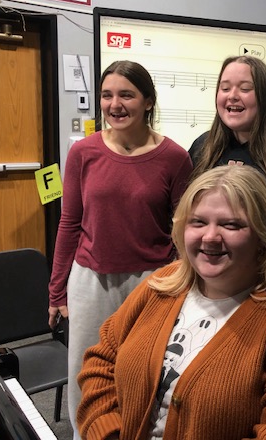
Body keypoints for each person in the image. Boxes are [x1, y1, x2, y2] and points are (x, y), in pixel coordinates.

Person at [76, 165, 266, 440]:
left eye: (231, 224)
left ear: (264, 236)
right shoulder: (163, 284)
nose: (210, 237)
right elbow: (101, 361)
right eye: (198, 222)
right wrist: (108, 434)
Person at [48, 60, 193, 437]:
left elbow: (183, 229)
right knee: (87, 373)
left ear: (148, 101)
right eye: (107, 95)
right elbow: (69, 223)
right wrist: (56, 289)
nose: (115, 104)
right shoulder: (84, 152)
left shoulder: (175, 158)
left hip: (153, 281)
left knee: (142, 370)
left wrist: (184, 284)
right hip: (91, 280)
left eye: (126, 95)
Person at [188, 55, 266, 249]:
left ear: (265, 97)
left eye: (245, 88)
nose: (232, 95)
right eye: (225, 88)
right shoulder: (202, 148)